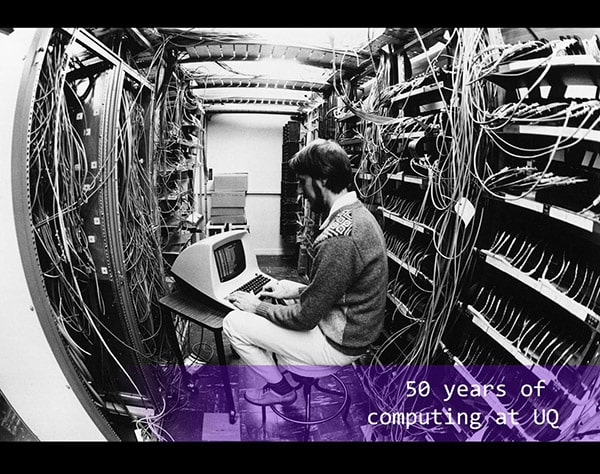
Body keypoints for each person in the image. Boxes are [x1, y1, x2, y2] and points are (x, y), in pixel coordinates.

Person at [222, 138, 388, 406]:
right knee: (283, 293)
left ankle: (281, 390)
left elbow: (303, 319)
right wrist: (296, 290)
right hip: (354, 330)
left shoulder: (339, 239)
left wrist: (257, 307)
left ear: (321, 180)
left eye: (302, 182)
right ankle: (284, 367)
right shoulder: (359, 215)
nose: (301, 191)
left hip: (338, 343)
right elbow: (342, 285)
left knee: (234, 324)